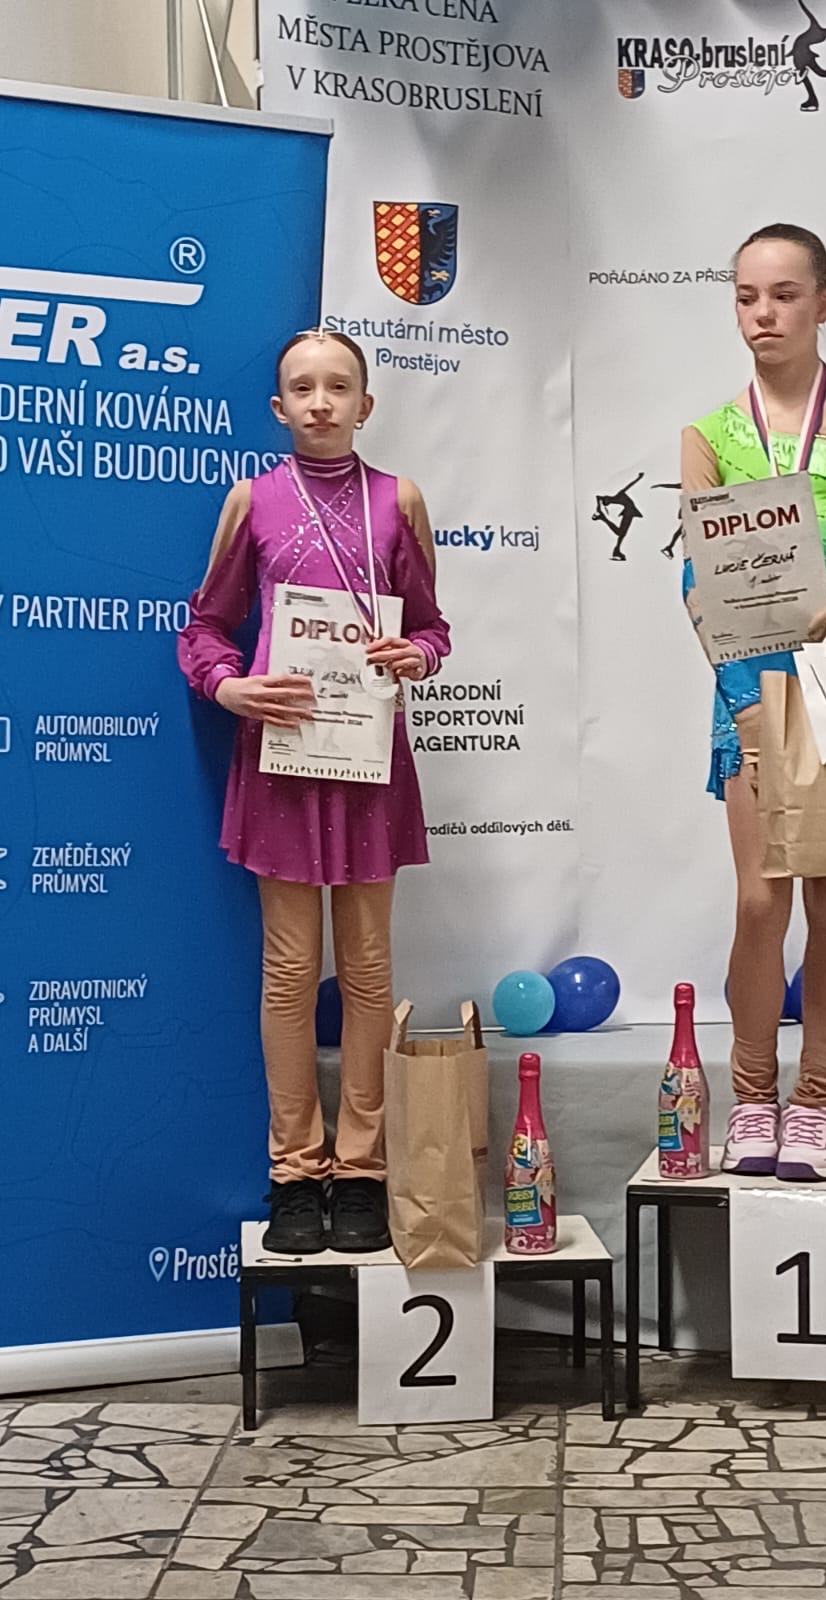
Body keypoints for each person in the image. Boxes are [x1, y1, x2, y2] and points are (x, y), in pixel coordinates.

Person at [178, 330, 450, 1253]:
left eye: (339, 387)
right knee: (291, 973)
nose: (322, 402)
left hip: (368, 760)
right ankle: (296, 1171)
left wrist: (417, 655)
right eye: (303, 388)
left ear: (366, 405)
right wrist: (229, 688)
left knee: (369, 970)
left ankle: (363, 1168)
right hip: (283, 759)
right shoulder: (251, 501)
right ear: (279, 408)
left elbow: (434, 628)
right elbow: (205, 627)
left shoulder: (398, 500)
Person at [681, 223, 826, 1182]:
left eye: (782, 295)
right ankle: (752, 1096)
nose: (762, 314)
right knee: (760, 898)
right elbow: (698, 579)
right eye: (746, 296)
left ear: (824, 302)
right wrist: (739, 698)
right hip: (751, 683)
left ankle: (815, 1102)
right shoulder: (709, 435)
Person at [592, 471, 644, 560]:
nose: (608, 502)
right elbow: (598, 498)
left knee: (621, 533)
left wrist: (638, 478)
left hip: (630, 512)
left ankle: (617, 550)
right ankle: (617, 550)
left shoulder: (619, 495)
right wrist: (599, 507)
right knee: (621, 533)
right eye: (606, 503)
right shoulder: (614, 498)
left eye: (607, 501)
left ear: (608, 497)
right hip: (628, 512)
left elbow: (629, 485)